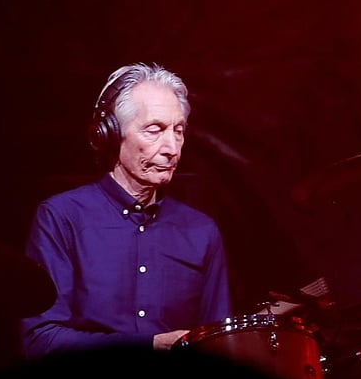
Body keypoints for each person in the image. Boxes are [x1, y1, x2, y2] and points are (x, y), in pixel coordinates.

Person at [20, 62, 233, 360]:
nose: (172, 147)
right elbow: (40, 340)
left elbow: (220, 350)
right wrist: (147, 346)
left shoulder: (202, 231)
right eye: (155, 130)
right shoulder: (62, 217)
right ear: (110, 134)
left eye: (179, 131)